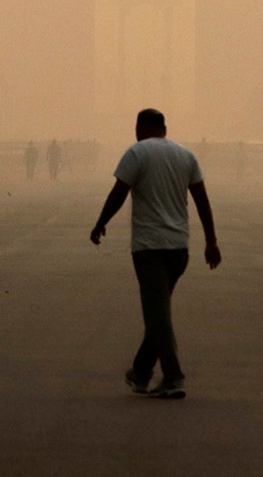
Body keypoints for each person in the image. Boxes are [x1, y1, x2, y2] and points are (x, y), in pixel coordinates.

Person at [90, 108, 219, 400]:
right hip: (179, 248)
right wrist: (211, 241)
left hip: (149, 247)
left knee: (158, 316)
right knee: (158, 312)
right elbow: (202, 200)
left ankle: (174, 377)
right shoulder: (186, 156)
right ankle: (140, 371)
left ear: (142, 127)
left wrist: (100, 223)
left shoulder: (137, 153)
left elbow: (118, 193)